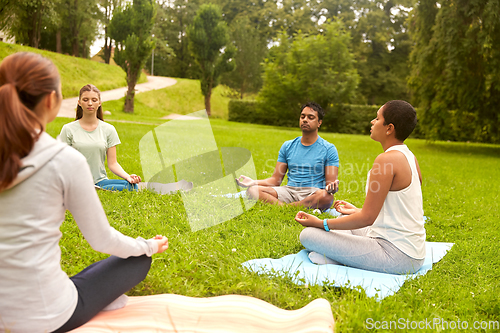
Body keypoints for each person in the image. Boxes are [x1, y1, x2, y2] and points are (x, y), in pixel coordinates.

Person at [0, 52, 169, 333]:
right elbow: (101, 239)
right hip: (48, 317)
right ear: (54, 100)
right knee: (138, 261)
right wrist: (148, 245)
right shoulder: (64, 159)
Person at [295, 100, 426, 274]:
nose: (372, 122)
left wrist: (321, 223)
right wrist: (357, 211)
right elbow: (399, 207)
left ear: (389, 128)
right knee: (344, 220)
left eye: (377, 118)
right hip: (413, 251)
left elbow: (367, 219)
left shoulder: (386, 160)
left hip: (397, 256)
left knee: (308, 235)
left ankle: (338, 256)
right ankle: (341, 254)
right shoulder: (409, 156)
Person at [236, 102, 339, 211]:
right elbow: (275, 180)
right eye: (302, 116)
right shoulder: (288, 146)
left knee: (327, 197)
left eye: (311, 117)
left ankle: (284, 208)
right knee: (252, 190)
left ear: (319, 123)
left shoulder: (329, 149)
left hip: (313, 193)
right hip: (289, 191)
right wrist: (253, 182)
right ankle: (291, 208)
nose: (305, 120)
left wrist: (331, 188)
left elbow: (330, 185)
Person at [59, 84, 140, 191]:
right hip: (75, 181)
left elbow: (113, 163)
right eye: (85, 99)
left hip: (100, 181)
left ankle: (95, 189)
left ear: (99, 103)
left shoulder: (109, 129)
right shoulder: (68, 129)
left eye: (94, 100)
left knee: (132, 187)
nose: (90, 103)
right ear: (79, 102)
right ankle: (91, 189)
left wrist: (128, 177)